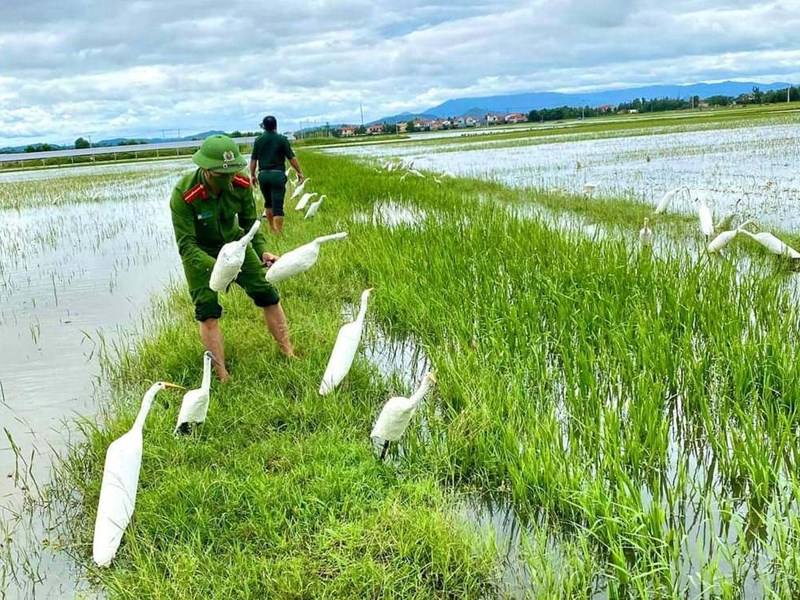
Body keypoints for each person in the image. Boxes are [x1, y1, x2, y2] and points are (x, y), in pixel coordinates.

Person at [170, 134, 295, 382]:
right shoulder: (184, 195)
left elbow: (251, 225)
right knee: (207, 311)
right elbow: (186, 245)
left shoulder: (240, 184)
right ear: (205, 170)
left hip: (236, 246)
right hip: (201, 254)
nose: (227, 181)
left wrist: (262, 251)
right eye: (220, 175)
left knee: (266, 292)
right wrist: (218, 268)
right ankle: (221, 373)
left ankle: (288, 351)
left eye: (231, 173)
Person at [249, 115, 304, 233]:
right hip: (277, 175)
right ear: (276, 125)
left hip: (263, 175)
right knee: (277, 205)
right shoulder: (282, 139)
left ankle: (271, 228)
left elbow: (253, 160)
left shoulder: (258, 140)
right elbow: (291, 158)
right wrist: (299, 172)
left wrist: (252, 175)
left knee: (268, 203)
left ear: (263, 126)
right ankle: (278, 232)